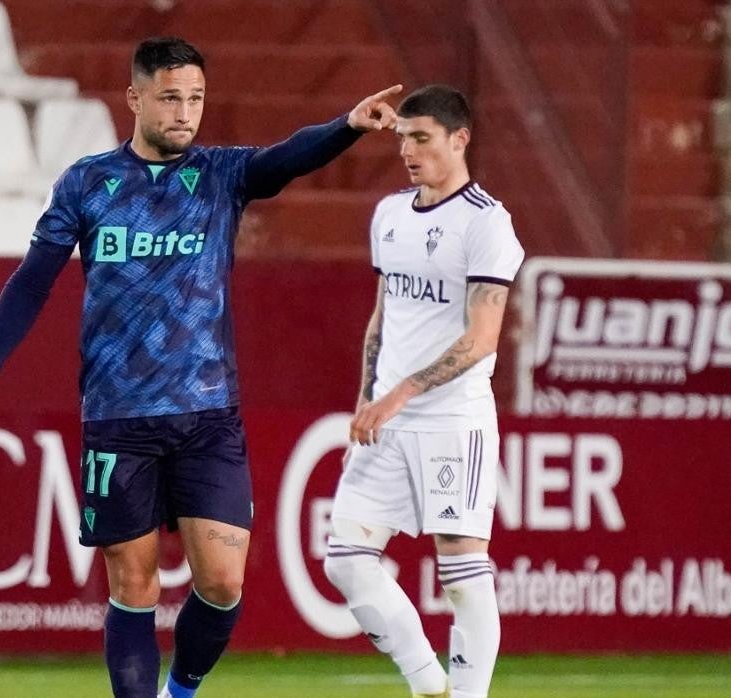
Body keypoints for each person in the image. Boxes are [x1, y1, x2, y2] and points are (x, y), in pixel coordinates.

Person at [0, 36, 400, 698]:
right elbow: (31, 282)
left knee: (222, 584)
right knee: (132, 586)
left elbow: (283, 160)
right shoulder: (88, 182)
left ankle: (181, 690)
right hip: (118, 418)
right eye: (170, 98)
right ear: (136, 98)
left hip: (207, 417)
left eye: (194, 98)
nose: (184, 112)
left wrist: (345, 127)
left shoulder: (222, 175)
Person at [325, 85, 525, 698]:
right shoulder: (389, 215)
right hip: (387, 416)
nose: (408, 150)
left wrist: (401, 394)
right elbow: (384, 317)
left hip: (451, 420)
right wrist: (368, 397)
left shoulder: (486, 222)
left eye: (422, 138)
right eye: (403, 138)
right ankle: (428, 683)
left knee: (462, 574)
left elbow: (483, 337)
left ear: (459, 139)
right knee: (346, 561)